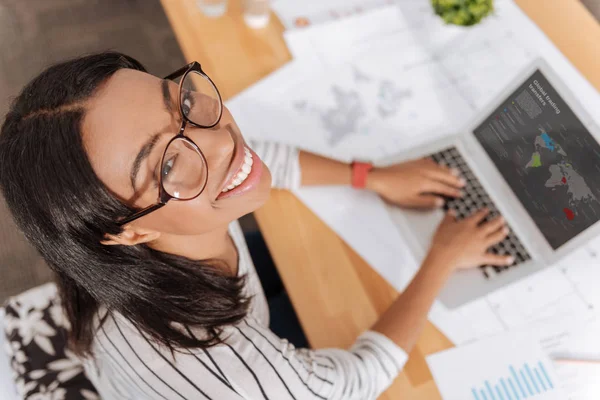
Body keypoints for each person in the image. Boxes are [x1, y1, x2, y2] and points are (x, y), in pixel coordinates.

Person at [0, 52, 513, 400]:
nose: (221, 136)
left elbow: (251, 160)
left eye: (179, 101)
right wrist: (441, 259)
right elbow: (351, 381)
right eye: (167, 165)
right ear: (126, 231)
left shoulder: (106, 247)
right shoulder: (232, 365)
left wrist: (370, 176)